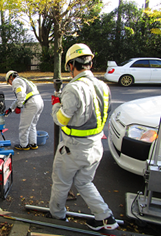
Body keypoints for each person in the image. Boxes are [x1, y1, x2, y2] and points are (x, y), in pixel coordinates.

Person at [48, 43, 119, 231]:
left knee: (61, 182)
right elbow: (105, 112)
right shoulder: (103, 86)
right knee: (83, 182)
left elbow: (61, 119)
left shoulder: (73, 88)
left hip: (74, 148)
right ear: (90, 63)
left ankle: (57, 217)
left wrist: (56, 104)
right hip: (96, 147)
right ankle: (106, 217)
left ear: (71, 65)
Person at [5, 70, 44, 150]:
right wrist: (10, 109)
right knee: (32, 124)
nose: (10, 84)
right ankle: (33, 143)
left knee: (24, 126)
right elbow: (20, 98)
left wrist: (19, 107)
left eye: (9, 82)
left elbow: (21, 95)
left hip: (32, 104)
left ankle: (24, 145)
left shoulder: (16, 81)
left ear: (11, 77)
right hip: (39, 102)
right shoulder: (24, 80)